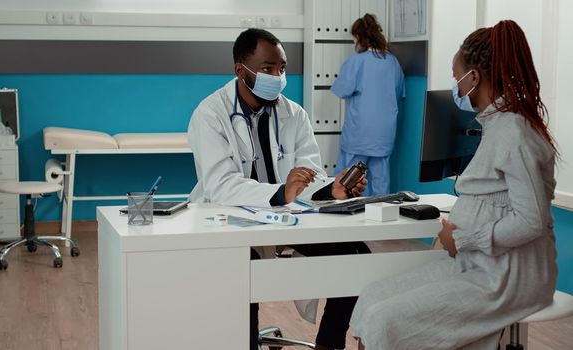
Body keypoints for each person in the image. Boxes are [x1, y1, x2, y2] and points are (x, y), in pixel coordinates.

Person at [349, 19, 558, 349]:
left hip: (506, 278)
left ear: (474, 77)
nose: (456, 88)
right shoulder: (498, 125)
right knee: (372, 296)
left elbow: (530, 221)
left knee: (385, 318)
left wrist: (462, 236)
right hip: (477, 263)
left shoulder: (514, 133)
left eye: (457, 76)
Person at [187, 28, 371, 350]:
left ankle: (330, 343)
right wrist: (280, 193)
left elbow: (309, 175)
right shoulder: (210, 114)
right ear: (240, 69)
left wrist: (332, 190)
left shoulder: (293, 113)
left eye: (282, 68)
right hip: (230, 222)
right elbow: (220, 186)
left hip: (286, 219)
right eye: (268, 68)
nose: (277, 76)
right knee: (245, 278)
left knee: (355, 257)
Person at [331, 13, 405, 196]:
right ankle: (379, 217)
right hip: (384, 134)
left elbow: (342, 90)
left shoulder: (357, 61)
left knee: (348, 179)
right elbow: (399, 93)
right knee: (381, 180)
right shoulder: (392, 62)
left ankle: (347, 217)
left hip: (360, 134)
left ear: (358, 37)